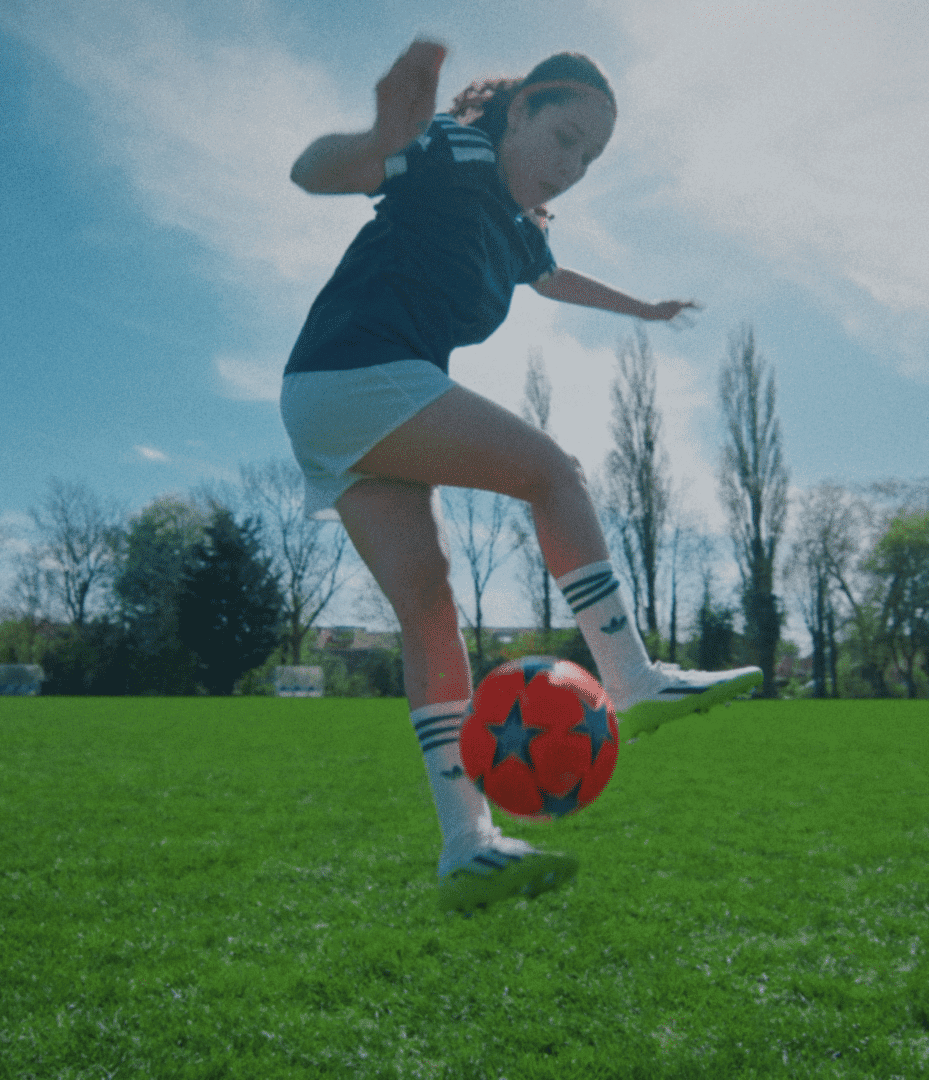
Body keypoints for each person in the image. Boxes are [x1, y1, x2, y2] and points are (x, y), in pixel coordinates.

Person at [281, 40, 761, 913]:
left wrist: (646, 310)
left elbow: (555, 278)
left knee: (430, 609)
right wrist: (381, 133)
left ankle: (467, 843)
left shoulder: (515, 228)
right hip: (357, 373)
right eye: (564, 137)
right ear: (519, 111)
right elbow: (313, 173)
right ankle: (631, 677)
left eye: (592, 157)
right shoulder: (449, 151)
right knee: (552, 473)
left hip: (333, 403)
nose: (573, 167)